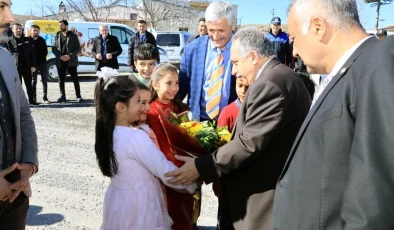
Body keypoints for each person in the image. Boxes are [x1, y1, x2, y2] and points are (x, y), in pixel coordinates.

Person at [165, 27, 311, 230]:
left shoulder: (270, 84)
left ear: (253, 56)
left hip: (261, 198)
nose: (233, 71)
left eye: (235, 63)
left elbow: (248, 144)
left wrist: (201, 167)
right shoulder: (279, 76)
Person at [270, 0, 394, 229]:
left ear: (318, 27)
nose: (294, 51)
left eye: (295, 39)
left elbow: (376, 199)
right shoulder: (351, 71)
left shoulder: (379, 63)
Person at [94, 75, 196, 230]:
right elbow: (164, 170)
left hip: (120, 201)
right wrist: (193, 181)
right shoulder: (135, 137)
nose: (143, 108)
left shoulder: (109, 132)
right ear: (121, 107)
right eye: (138, 101)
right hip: (140, 204)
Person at [0, 1, 39, 228]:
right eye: (1, 6)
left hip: (15, 196)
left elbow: (23, 114)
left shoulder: (5, 57)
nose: (10, 18)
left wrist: (28, 164)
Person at [146, 63, 194, 230]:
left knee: (186, 216)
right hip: (169, 175)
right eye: (169, 83)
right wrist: (178, 170)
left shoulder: (179, 107)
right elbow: (159, 146)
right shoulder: (151, 111)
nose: (174, 88)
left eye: (177, 83)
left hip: (186, 169)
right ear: (155, 85)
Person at [178, 1, 237, 121]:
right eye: (211, 30)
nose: (215, 36)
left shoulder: (243, 49)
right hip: (198, 124)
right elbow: (180, 89)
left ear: (233, 25)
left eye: (221, 31)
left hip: (231, 123)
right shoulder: (192, 50)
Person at [132, 82, 168, 207]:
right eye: (142, 102)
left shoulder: (144, 127)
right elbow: (160, 168)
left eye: (148, 102)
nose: (148, 108)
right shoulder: (137, 135)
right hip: (143, 197)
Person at [52, 20, 82, 103]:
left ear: (66, 26)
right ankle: (62, 96)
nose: (60, 26)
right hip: (61, 61)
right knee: (61, 79)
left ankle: (78, 96)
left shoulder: (73, 35)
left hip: (71, 61)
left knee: (75, 79)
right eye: (59, 25)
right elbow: (54, 48)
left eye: (61, 25)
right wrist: (60, 56)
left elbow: (78, 48)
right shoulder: (57, 35)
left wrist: (69, 56)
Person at [12, 23, 38, 105]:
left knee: (29, 85)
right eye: (17, 28)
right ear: (13, 30)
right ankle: (19, 102)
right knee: (18, 86)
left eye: (20, 28)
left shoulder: (27, 40)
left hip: (27, 67)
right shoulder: (9, 41)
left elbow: (33, 54)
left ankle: (31, 100)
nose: (19, 30)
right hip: (15, 67)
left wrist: (33, 65)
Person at [30, 24, 50, 104]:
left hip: (42, 63)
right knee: (33, 81)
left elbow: (45, 51)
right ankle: (34, 98)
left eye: (37, 30)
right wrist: (32, 64)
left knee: (44, 81)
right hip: (32, 65)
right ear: (31, 31)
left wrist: (42, 60)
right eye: (34, 30)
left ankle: (45, 98)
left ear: (39, 31)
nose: (36, 32)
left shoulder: (42, 40)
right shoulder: (28, 40)